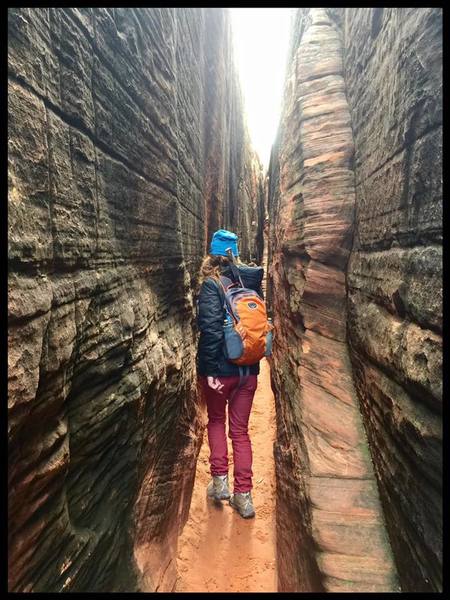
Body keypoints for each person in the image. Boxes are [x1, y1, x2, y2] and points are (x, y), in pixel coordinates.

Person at [195, 229, 264, 519]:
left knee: (216, 420)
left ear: (212, 254)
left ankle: (220, 482)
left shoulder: (212, 285)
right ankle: (244, 498)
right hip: (248, 372)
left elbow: (210, 331)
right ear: (234, 253)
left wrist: (208, 371)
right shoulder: (249, 283)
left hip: (221, 373)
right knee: (241, 432)